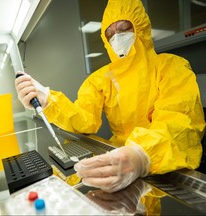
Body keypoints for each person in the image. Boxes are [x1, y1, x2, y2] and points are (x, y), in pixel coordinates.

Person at [15, 0, 205, 193]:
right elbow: (85, 120)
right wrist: (49, 101)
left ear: (141, 28)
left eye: (124, 28)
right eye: (110, 34)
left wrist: (141, 155)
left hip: (165, 165)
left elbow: (179, 120)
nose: (117, 37)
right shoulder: (101, 79)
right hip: (117, 164)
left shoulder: (172, 68)